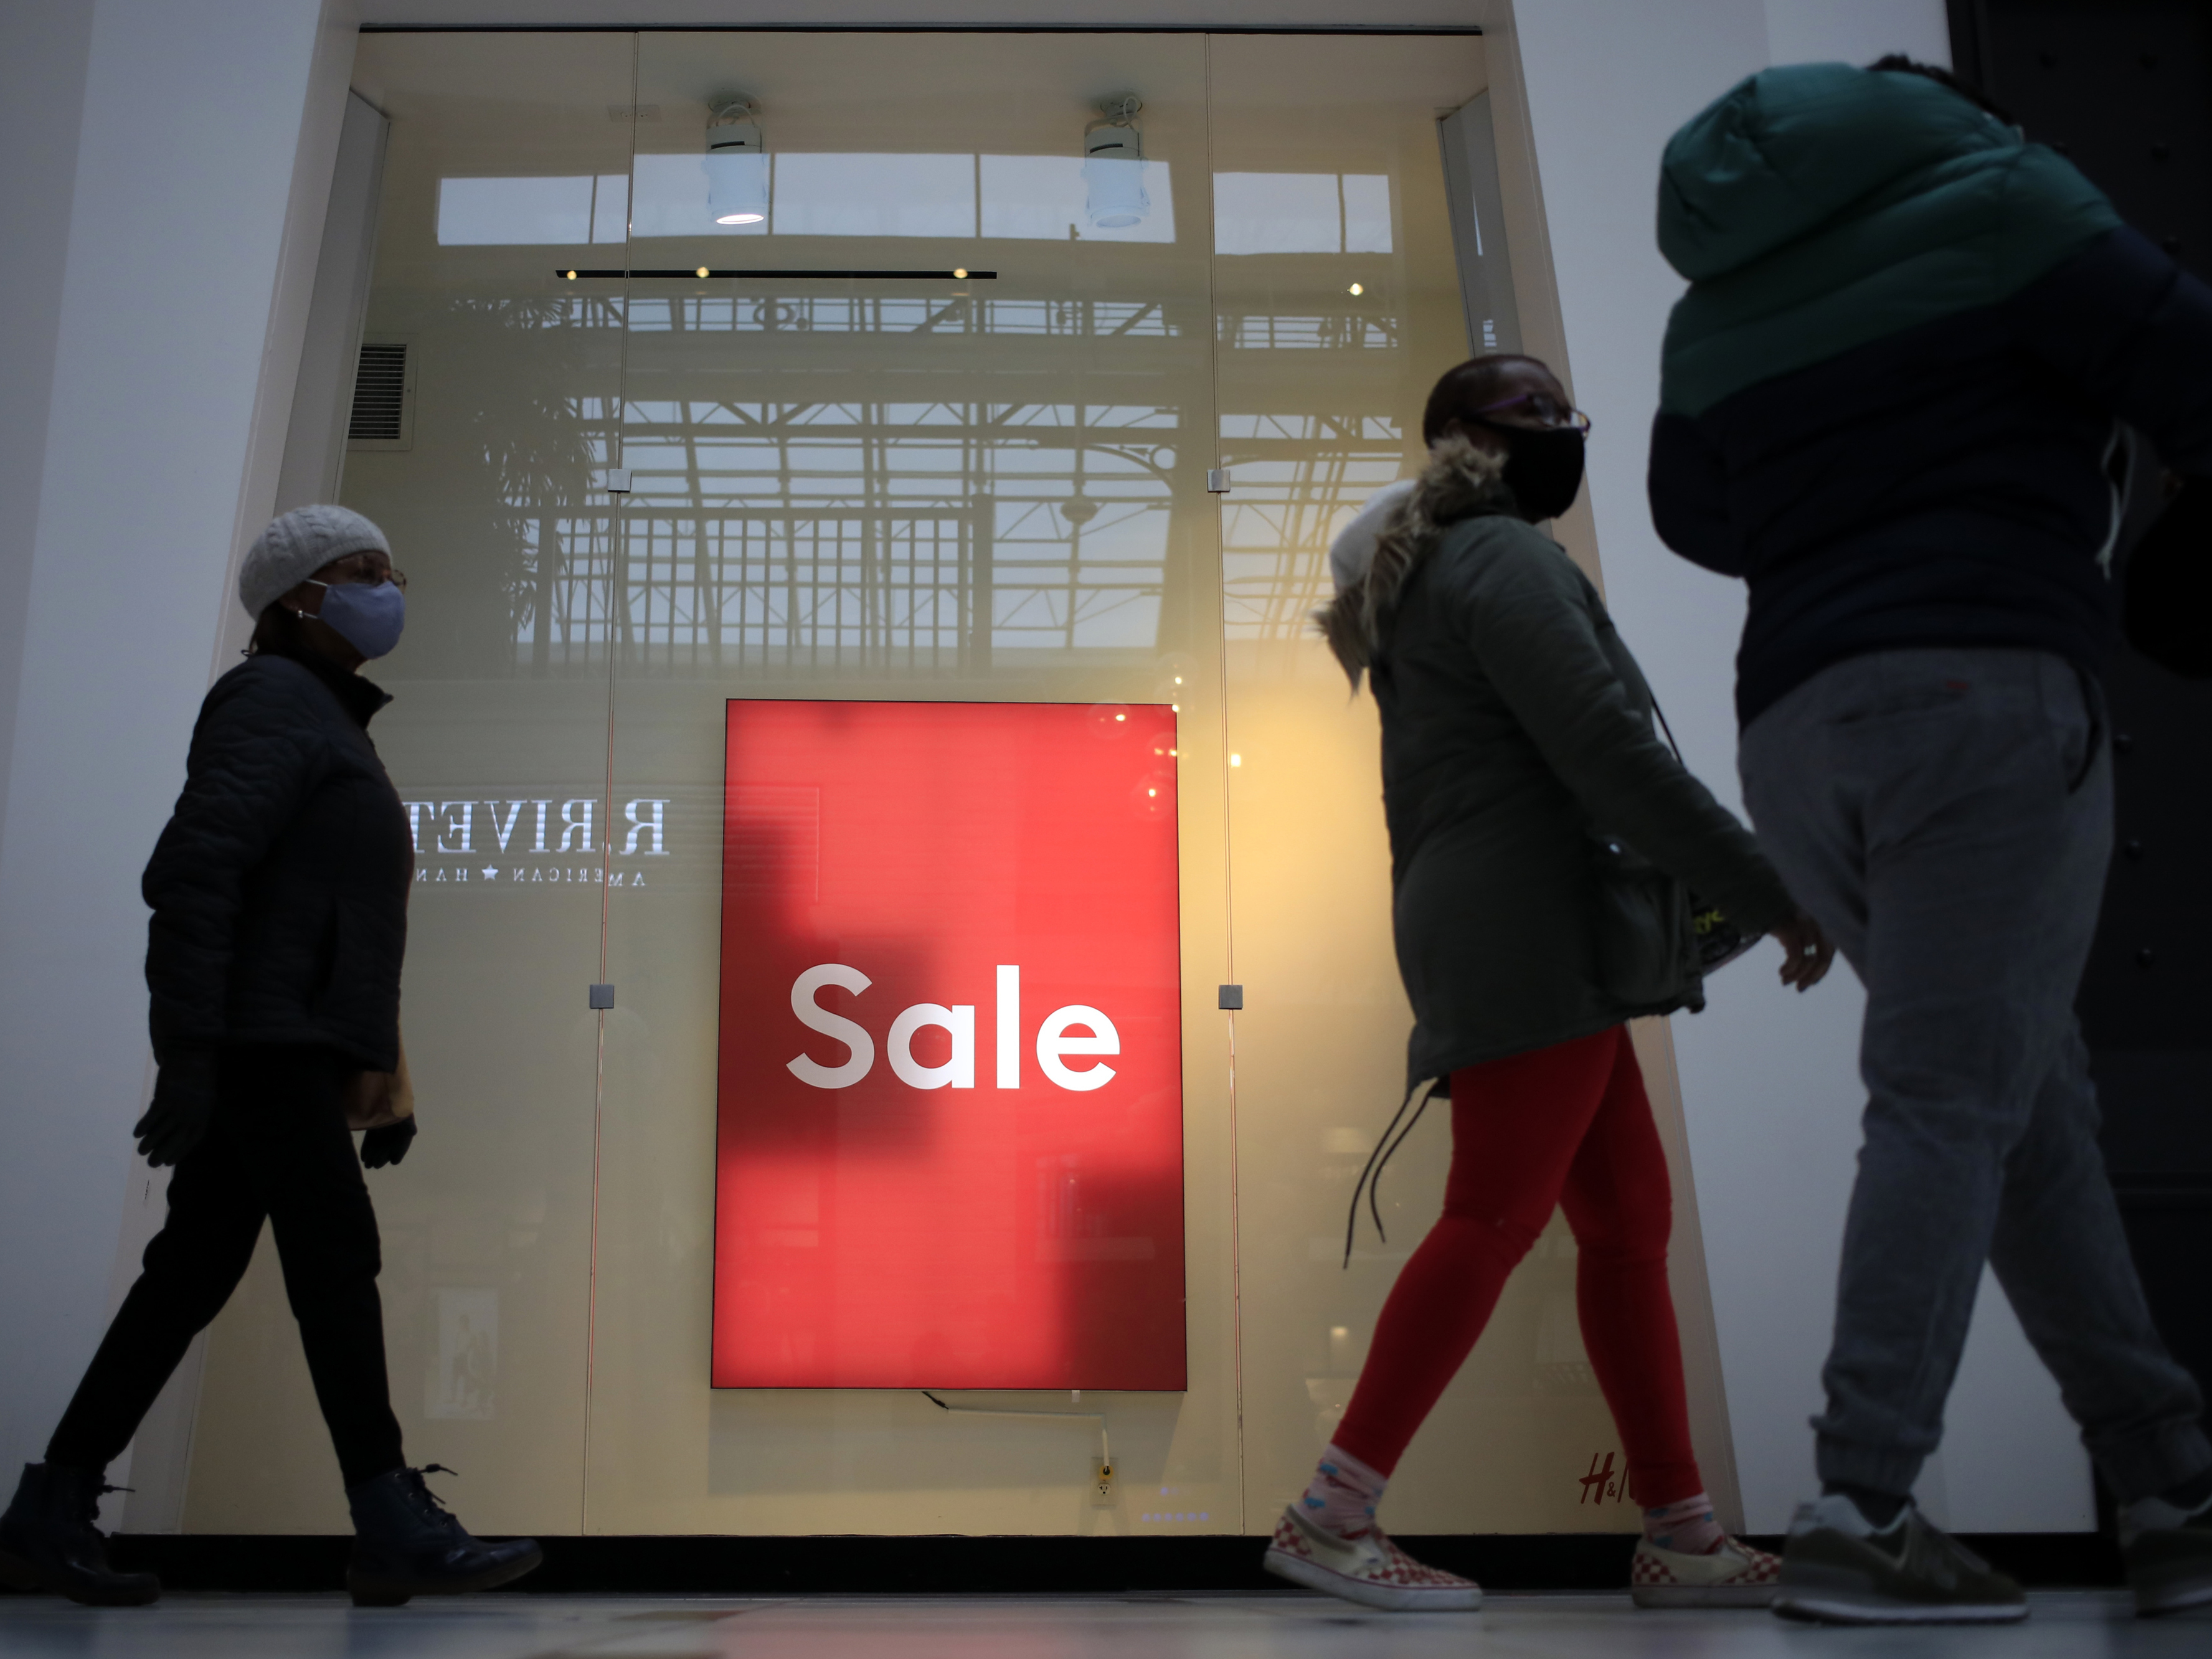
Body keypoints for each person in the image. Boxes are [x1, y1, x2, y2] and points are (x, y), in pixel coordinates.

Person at [1649, 58, 2212, 1624]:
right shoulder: (2008, 197)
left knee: (2018, 1102)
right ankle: (1862, 1503)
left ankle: (2170, 1488)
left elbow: (1696, 513)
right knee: (1952, 1100)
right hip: (1984, 693)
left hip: (1799, 734)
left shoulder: (1719, 305)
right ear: (1950, 116)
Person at [1264, 354, 1835, 1612]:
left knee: (1627, 1222)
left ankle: (1681, 1532)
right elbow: (1606, 752)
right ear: (1464, 438)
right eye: (1536, 417)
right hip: (1533, 923)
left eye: (1565, 412)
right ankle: (1331, 1514)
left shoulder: (1425, 576)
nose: (1562, 432)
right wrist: (1770, 885)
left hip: (1516, 918)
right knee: (1495, 1216)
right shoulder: (1501, 560)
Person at [0, 506, 541, 1609]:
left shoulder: (329, 718)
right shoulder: (270, 702)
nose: (389, 585)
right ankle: (390, 1519)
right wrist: (189, 1056)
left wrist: (384, 1082)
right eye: (361, 569)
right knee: (334, 1261)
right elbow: (195, 877)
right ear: (299, 596)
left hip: (289, 1038)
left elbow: (336, 917)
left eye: (392, 565)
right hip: (261, 1044)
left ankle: (47, 1514)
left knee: (189, 1275)